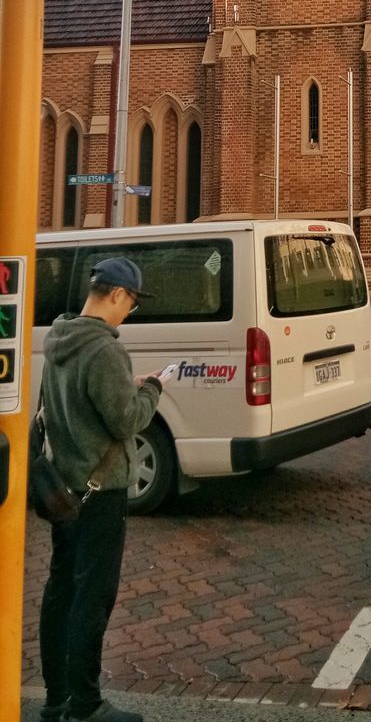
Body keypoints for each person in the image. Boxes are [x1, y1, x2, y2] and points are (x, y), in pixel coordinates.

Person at [38, 257, 164, 722]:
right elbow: (127, 420)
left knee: (60, 591)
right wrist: (151, 390)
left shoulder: (59, 339)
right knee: (93, 596)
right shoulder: (104, 350)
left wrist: (123, 391)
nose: (129, 311)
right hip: (100, 491)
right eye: (130, 302)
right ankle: (87, 705)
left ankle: (56, 698)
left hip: (62, 488)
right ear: (115, 294)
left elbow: (66, 406)